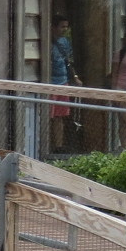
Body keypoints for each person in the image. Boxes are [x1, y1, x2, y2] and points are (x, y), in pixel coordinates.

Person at [50, 15, 80, 152]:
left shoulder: (65, 42)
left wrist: (75, 77)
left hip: (63, 81)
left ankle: (58, 146)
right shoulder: (48, 42)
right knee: (49, 114)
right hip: (51, 82)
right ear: (53, 27)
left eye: (66, 26)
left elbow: (68, 61)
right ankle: (47, 144)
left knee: (60, 116)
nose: (65, 29)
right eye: (62, 26)